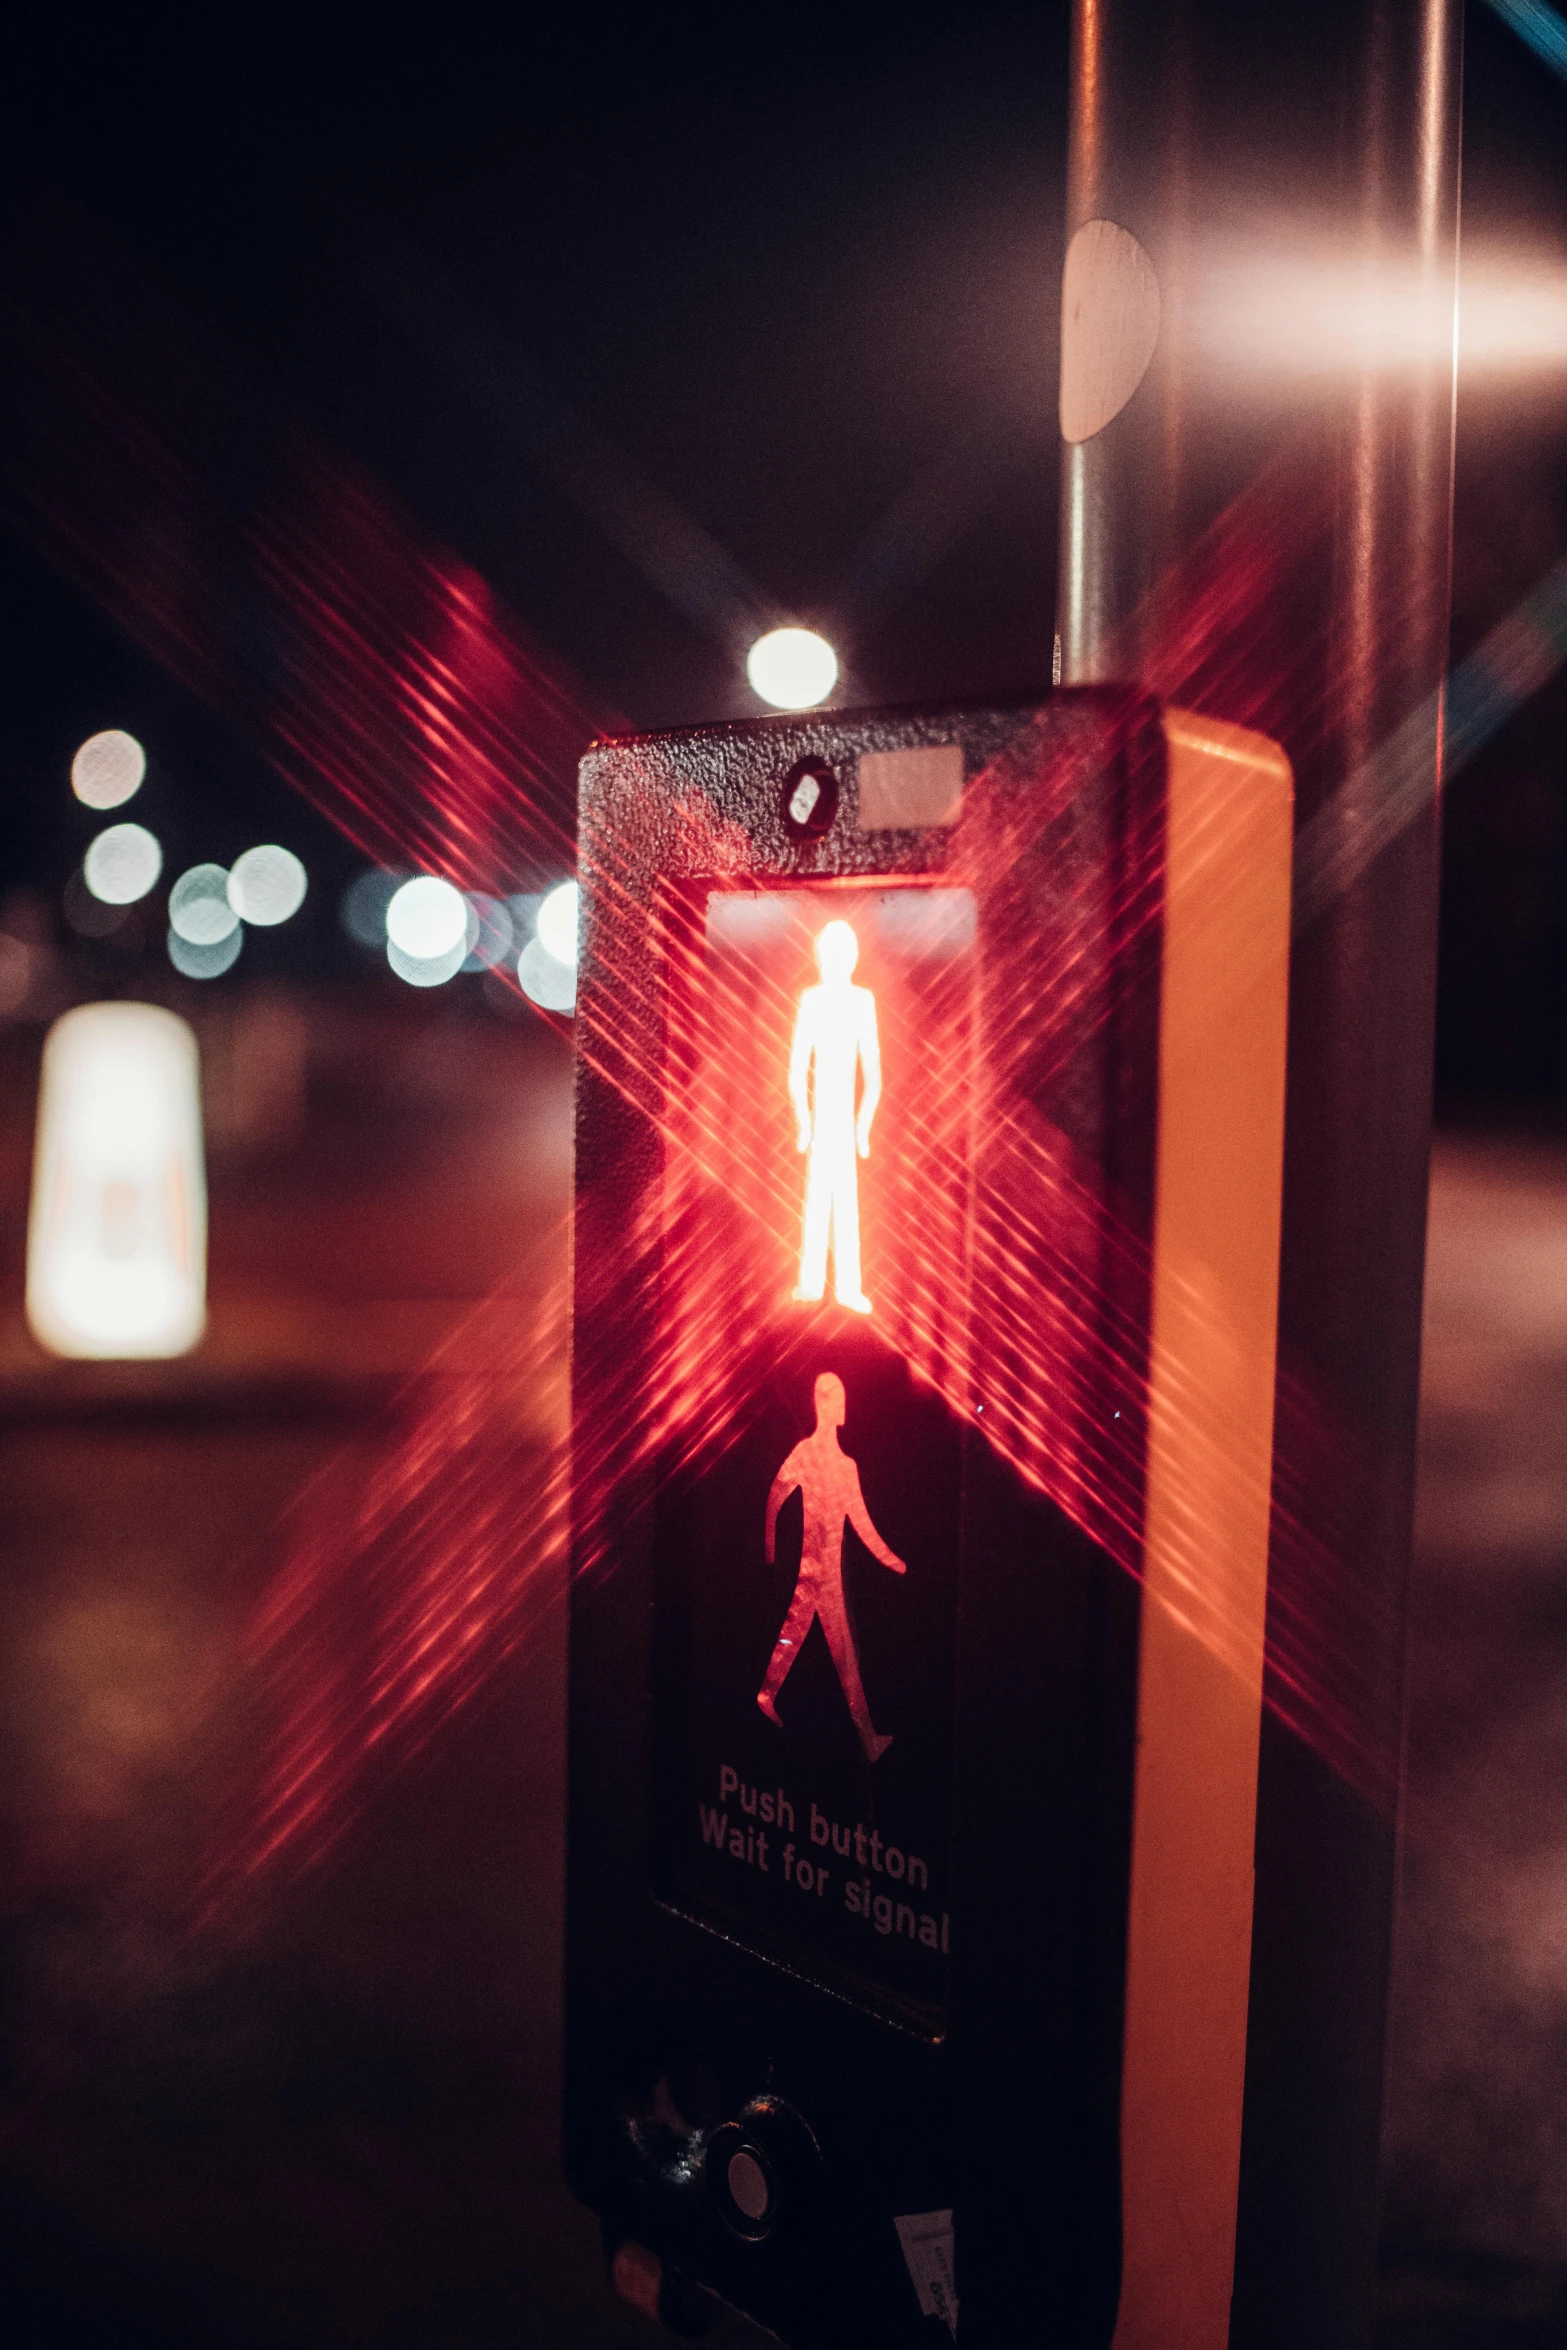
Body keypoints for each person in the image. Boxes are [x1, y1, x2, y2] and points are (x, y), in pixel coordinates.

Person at [758, 1371, 904, 1762]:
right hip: (815, 1575)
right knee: (834, 1656)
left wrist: (891, 1560)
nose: (842, 1405)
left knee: (812, 1643)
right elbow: (776, 1495)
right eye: (836, 1397)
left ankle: (768, 1695)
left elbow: (861, 1522)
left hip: (826, 1578)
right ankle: (867, 1739)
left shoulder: (845, 1466)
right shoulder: (807, 1453)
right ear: (824, 1404)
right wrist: (770, 1548)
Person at [790, 919, 880, 1313]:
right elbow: (794, 1070)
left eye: (842, 953)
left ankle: (848, 1287)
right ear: (820, 956)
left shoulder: (863, 1001)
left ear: (853, 958)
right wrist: (804, 1123)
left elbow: (874, 1076)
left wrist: (862, 1129)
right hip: (822, 1117)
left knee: (846, 1201)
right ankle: (810, 1282)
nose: (835, 961)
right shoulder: (811, 1000)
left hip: (843, 1120)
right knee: (816, 1199)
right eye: (829, 953)